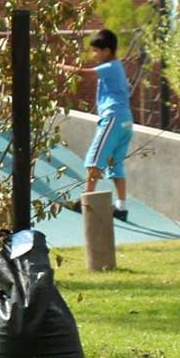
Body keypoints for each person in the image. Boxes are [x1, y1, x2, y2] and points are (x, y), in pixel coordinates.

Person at [60, 28, 132, 222]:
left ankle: (86, 202)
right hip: (125, 121)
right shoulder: (117, 67)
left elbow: (86, 74)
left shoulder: (110, 66)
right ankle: (121, 207)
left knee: (94, 160)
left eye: (96, 51)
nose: (93, 55)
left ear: (107, 51)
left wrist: (60, 67)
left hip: (113, 118)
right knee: (115, 164)